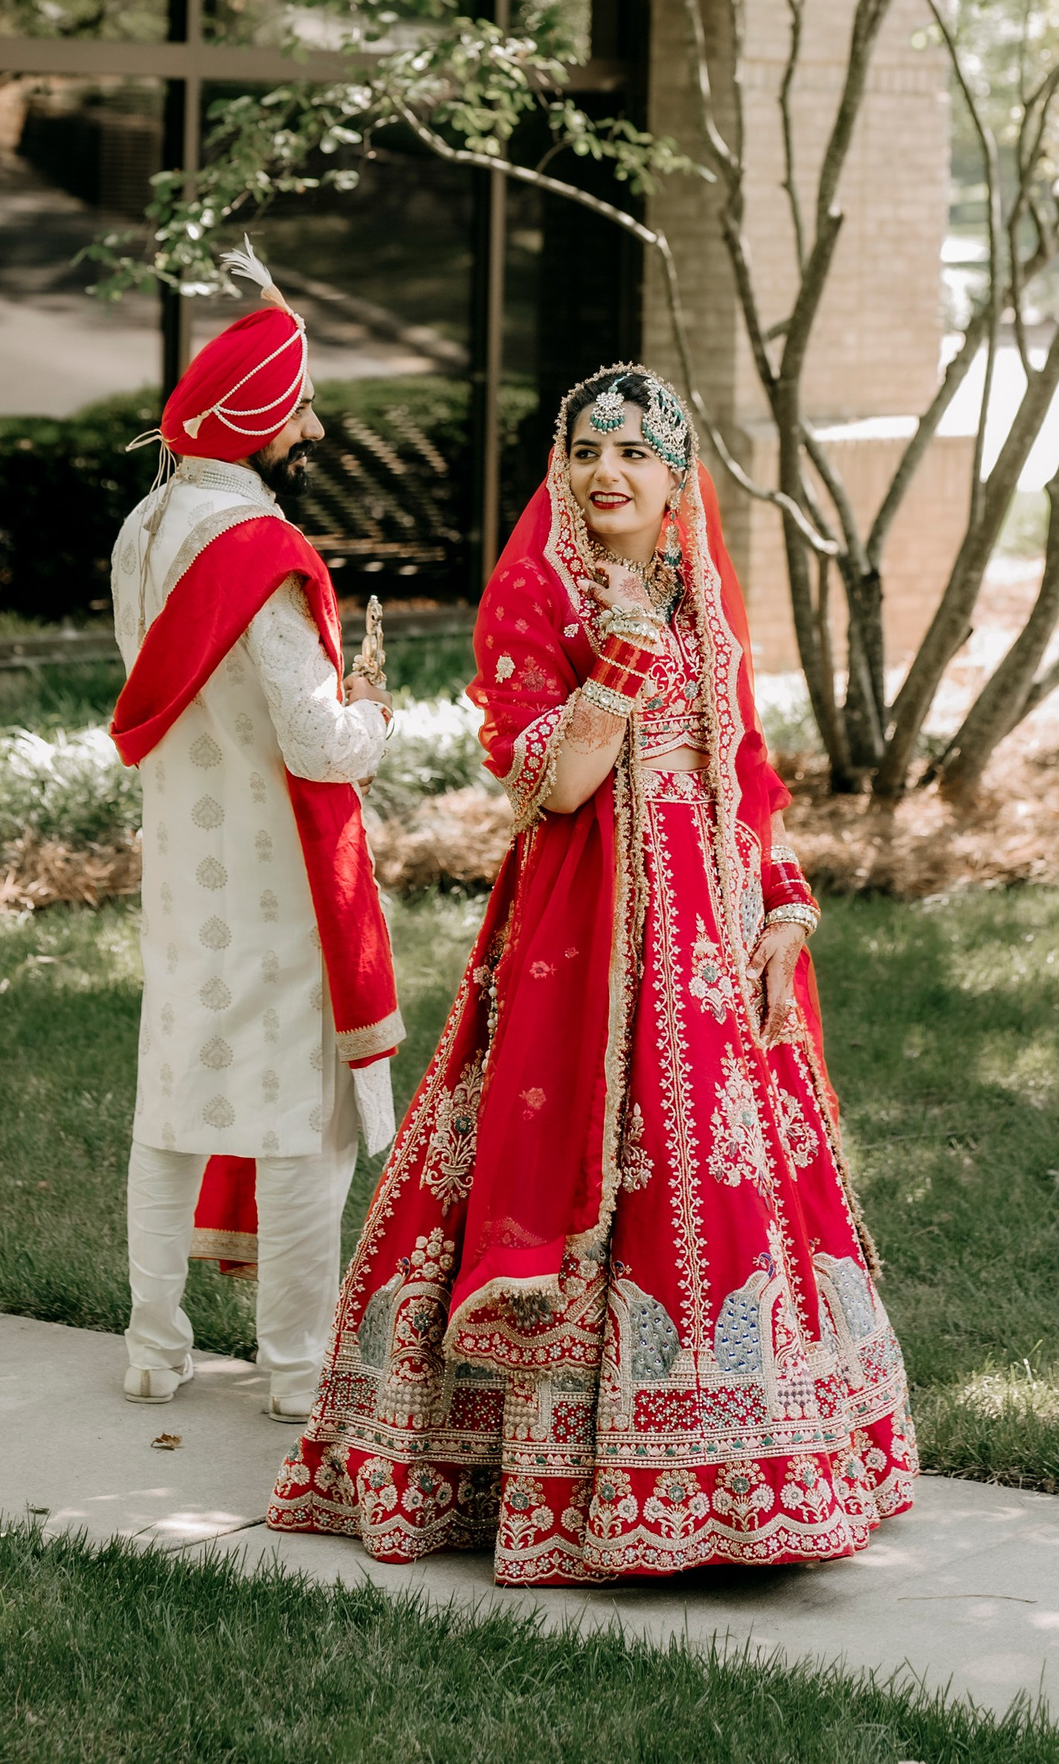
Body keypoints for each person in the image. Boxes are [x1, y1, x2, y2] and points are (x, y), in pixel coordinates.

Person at [271, 362, 915, 1583]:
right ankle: (552, 1467)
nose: (605, 471)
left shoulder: (694, 587)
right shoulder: (536, 590)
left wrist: (783, 900)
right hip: (586, 932)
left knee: (722, 1161)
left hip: (708, 931)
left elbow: (745, 762)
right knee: (576, 1152)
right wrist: (617, 660)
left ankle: (749, 1463)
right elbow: (552, 785)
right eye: (585, 449)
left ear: (677, 477)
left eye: (633, 451)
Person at [107, 254, 401, 1421]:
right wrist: (374, 710)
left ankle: (151, 1346)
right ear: (257, 422)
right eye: (302, 409)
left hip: (185, 863)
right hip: (279, 874)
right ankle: (295, 1370)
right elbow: (318, 744)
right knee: (298, 1123)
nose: (313, 427)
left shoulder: (141, 530)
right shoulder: (262, 556)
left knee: (171, 1099)